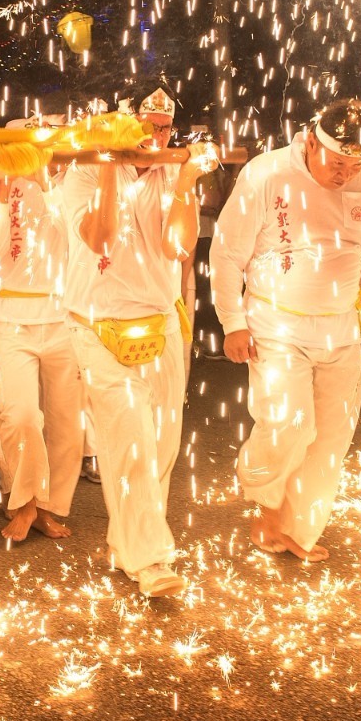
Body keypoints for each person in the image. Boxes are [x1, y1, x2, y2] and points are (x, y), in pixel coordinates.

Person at [212, 97, 361, 563]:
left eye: (355, 165)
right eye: (338, 163)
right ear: (310, 141)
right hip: (277, 324)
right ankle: (265, 499)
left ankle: (293, 527)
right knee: (291, 421)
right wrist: (232, 321)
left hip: (340, 327)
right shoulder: (265, 174)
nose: (345, 174)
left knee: (332, 433)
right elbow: (228, 252)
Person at [60, 85, 215, 597]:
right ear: (123, 124)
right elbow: (100, 238)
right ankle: (151, 560)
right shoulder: (81, 170)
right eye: (144, 125)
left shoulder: (173, 169)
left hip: (161, 323)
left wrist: (187, 177)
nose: (154, 136)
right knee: (131, 445)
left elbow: (180, 245)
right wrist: (108, 162)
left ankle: (126, 540)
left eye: (164, 127)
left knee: (162, 448)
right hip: (99, 326)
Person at [0, 117, 85, 543]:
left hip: (62, 316)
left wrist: (46, 180)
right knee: (20, 414)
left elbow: (77, 241)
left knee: (65, 421)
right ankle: (22, 501)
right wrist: (1, 196)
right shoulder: (2, 183)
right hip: (11, 317)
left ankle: (49, 506)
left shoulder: (72, 180)